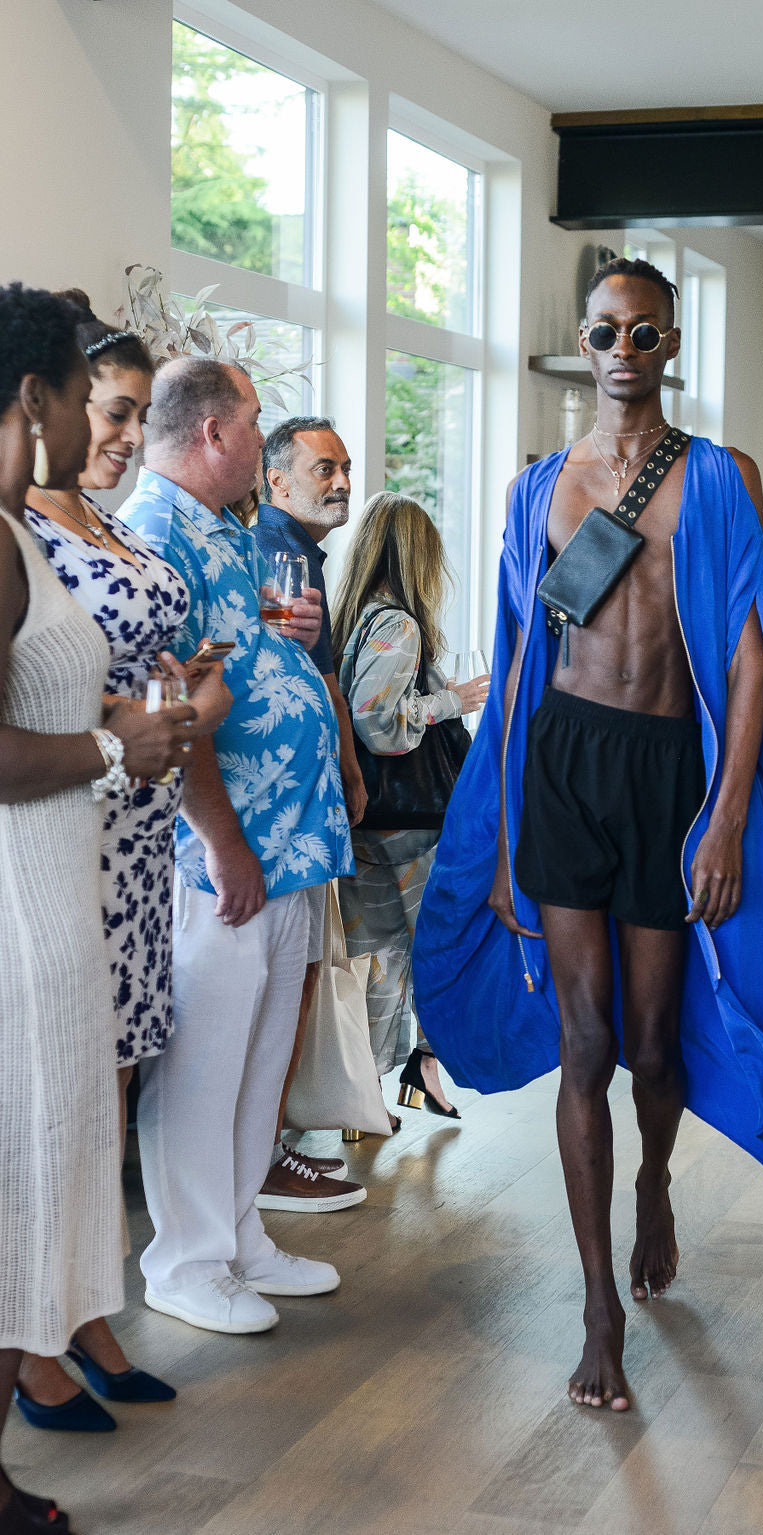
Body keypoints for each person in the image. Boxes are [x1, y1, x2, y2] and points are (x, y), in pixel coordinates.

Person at [412, 256, 763, 1413]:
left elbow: (745, 659)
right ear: (580, 345)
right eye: (604, 332)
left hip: (665, 774)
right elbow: (519, 662)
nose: (623, 351)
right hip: (559, 770)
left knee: (653, 1045)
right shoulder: (537, 485)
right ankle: (596, 1303)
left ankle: (654, 1183)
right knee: (585, 1039)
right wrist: (496, 841)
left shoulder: (718, 479)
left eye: (644, 333)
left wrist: (729, 813)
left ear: (671, 343)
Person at [19, 296, 233, 1428]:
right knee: (56, 1095)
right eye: (108, 409)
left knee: (109, 1084)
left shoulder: (114, 529)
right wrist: (136, 714)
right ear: (49, 403)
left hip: (140, 829)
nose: (119, 433)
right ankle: (37, 1336)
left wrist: (192, 691)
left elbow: (148, 672)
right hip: (71, 824)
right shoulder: (25, 533)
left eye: (139, 416)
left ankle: (92, 1307)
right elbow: (46, 682)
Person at [0, 282, 190, 1534]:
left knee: (43, 1170)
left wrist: (116, 730)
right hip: (20, 903)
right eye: (82, 394)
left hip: (60, 886)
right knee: (22, 1172)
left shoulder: (16, 530)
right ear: (33, 399)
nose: (90, 421)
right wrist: (121, 750)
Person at [121, 357, 354, 1335]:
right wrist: (220, 840)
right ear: (213, 432)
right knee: (204, 1062)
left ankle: (241, 1232)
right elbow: (174, 713)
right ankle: (186, 1256)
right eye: (256, 423)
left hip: (289, 835)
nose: (264, 439)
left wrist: (289, 629)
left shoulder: (227, 527)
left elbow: (243, 655)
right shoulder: (158, 532)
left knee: (261, 1059)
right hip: (225, 846)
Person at [332, 492, 488, 1123]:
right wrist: (454, 702)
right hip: (411, 822)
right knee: (423, 951)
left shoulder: (354, 615)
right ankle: (391, 1080)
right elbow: (380, 723)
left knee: (374, 955)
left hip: (365, 815)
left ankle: (371, 1088)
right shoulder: (399, 624)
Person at [250, 416, 368, 1212]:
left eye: (346, 468)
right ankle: (261, 1155)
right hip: (281, 810)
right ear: (276, 480)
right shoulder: (275, 552)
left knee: (299, 976)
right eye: (323, 469)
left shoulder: (301, 554)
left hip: (304, 804)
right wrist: (353, 770)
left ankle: (270, 1145)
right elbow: (311, 682)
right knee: (283, 983)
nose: (341, 482)